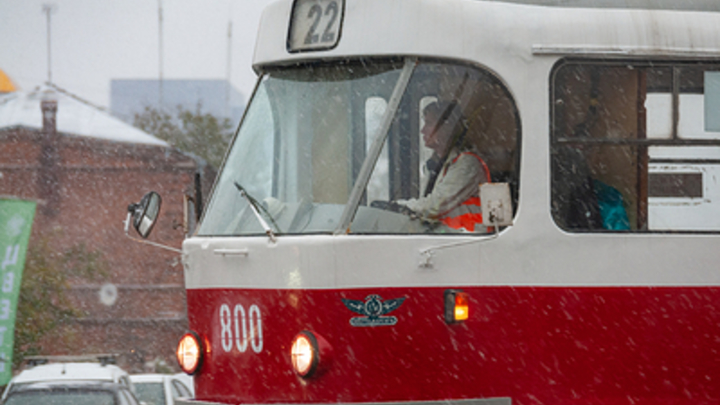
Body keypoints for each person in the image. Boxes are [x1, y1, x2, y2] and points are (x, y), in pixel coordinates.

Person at [396, 101, 491, 232]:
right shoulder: (436, 166)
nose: (422, 130)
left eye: (428, 123)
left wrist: (400, 207)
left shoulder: (467, 164)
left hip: (469, 243)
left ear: (447, 127)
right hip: (446, 240)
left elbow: (435, 205)